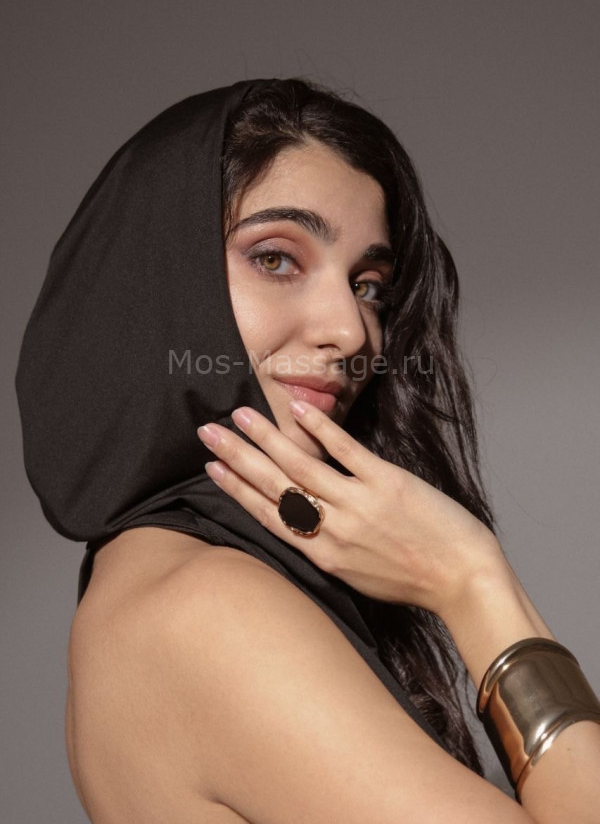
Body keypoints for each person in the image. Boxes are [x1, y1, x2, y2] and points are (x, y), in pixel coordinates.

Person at [16, 78, 600, 823]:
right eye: (276, 260)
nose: (351, 331)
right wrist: (474, 583)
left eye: (369, 285)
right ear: (160, 280)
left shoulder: (160, 586)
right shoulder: (204, 611)